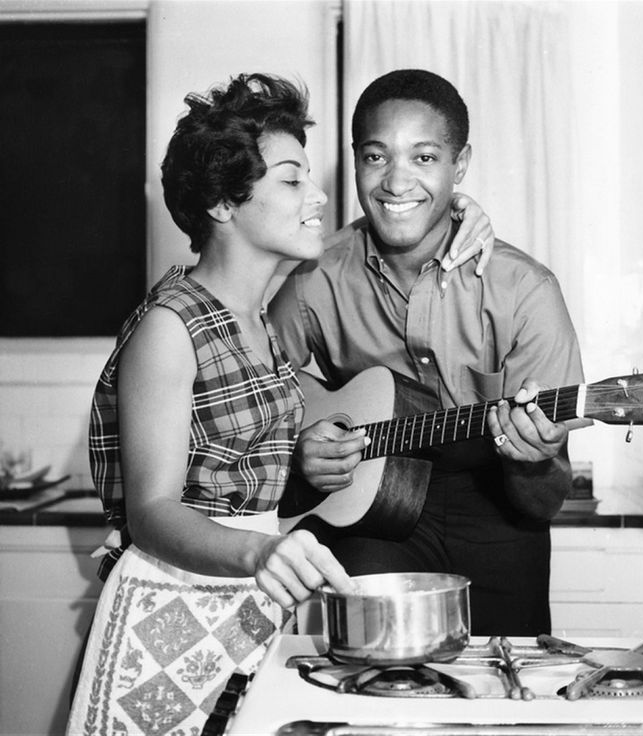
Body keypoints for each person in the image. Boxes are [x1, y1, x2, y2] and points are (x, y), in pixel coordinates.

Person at [68, 72, 493, 735]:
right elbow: (152, 514)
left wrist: (461, 209)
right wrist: (260, 556)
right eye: (292, 180)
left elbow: (394, 229)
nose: (320, 196)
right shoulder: (169, 328)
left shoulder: (259, 320)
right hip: (168, 617)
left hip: (247, 606)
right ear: (222, 203)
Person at [269, 69, 586, 637]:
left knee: (502, 695)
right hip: (372, 507)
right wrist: (300, 452)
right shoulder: (316, 275)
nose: (395, 182)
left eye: (423, 158)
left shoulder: (526, 290)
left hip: (498, 511)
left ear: (459, 166)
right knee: (368, 686)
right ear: (355, 160)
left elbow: (543, 502)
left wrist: (533, 456)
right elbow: (253, 401)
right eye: (375, 156)